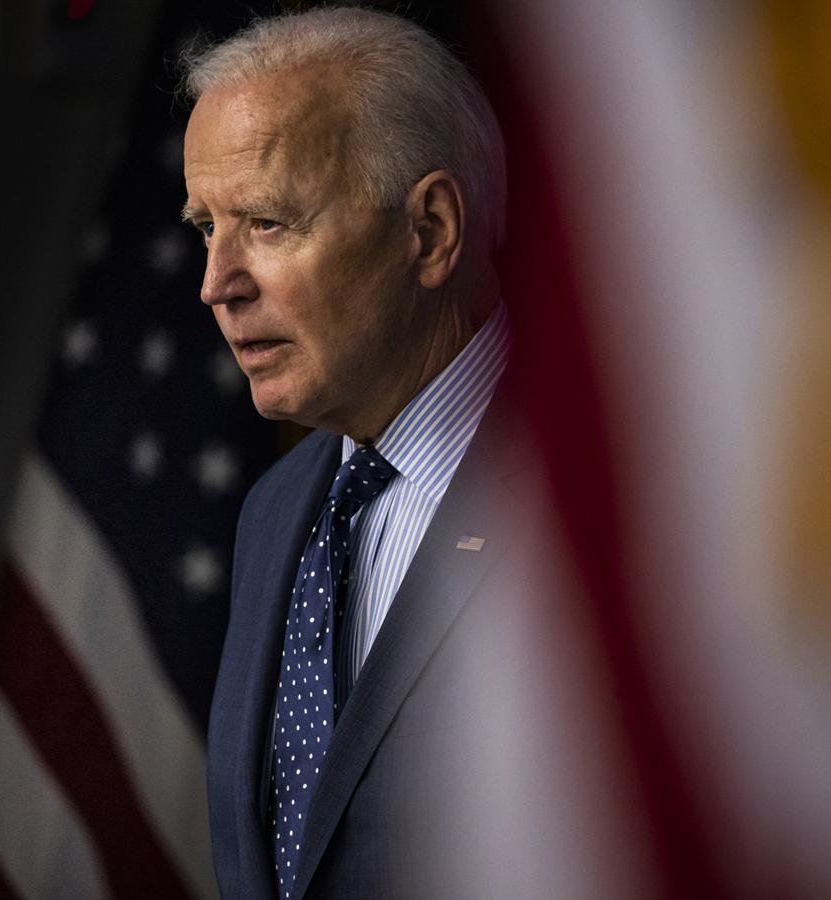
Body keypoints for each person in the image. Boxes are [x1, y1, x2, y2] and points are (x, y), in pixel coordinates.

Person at [181, 8, 541, 898]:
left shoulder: (583, 499)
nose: (215, 284)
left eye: (265, 223)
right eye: (204, 227)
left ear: (429, 231)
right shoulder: (275, 510)